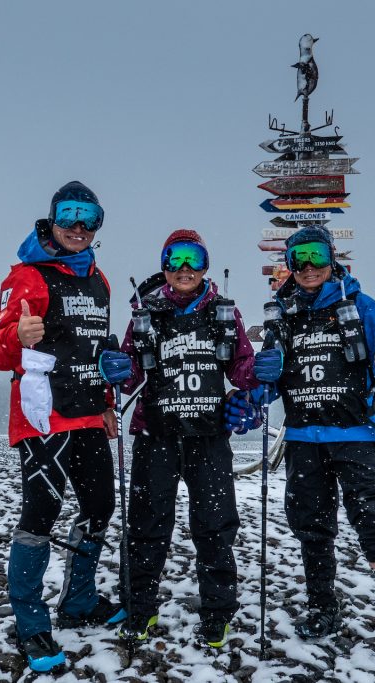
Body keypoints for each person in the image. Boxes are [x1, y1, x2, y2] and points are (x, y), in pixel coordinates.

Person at [0, 181, 129, 673]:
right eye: (68, 216)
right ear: (51, 220)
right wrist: (15, 335)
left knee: (99, 506)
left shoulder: (101, 281)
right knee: (41, 512)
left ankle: (79, 600)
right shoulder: (27, 276)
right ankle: (31, 622)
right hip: (43, 417)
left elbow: (94, 349)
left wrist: (109, 399)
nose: (78, 227)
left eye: (89, 217)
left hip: (89, 412)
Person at [251, 224, 375, 639]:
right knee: (312, 526)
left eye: (316, 256)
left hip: (355, 434)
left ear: (332, 257)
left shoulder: (359, 303)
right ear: (289, 265)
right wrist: (262, 379)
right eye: (298, 259)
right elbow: (266, 383)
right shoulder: (281, 314)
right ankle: (322, 606)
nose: (308, 267)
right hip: (303, 438)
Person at [102, 229, 260, 648]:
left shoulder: (224, 313)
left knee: (214, 526)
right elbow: (132, 374)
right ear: (165, 266)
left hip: (209, 436)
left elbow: (242, 369)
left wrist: (261, 372)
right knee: (146, 525)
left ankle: (218, 613)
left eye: (194, 258)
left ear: (206, 264)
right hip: (156, 436)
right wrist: (116, 369)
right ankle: (140, 608)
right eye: (176, 259)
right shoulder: (146, 315)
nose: (185, 269)